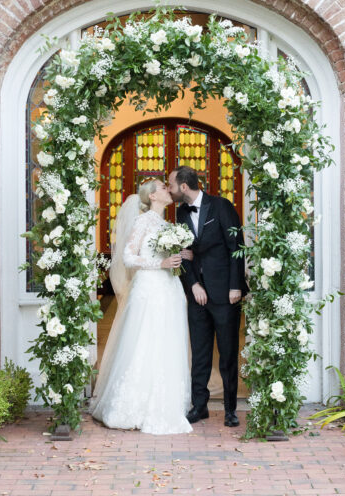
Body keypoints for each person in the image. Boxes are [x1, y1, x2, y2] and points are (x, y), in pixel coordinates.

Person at [90, 179, 192, 435]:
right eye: (163, 187)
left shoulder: (165, 224)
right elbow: (127, 257)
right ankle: (132, 407)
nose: (169, 189)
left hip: (168, 288)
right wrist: (160, 264)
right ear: (153, 196)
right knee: (144, 341)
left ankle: (164, 403)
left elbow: (164, 255)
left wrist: (180, 256)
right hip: (149, 289)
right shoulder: (143, 221)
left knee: (166, 343)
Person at [168, 166, 248, 428]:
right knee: (200, 354)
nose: (169, 189)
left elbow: (236, 247)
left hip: (226, 294)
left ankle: (230, 410)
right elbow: (184, 252)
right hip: (198, 295)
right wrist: (193, 285)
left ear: (183, 186)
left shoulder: (221, 206)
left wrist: (236, 286)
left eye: (171, 184)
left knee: (227, 355)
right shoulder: (181, 213)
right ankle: (199, 406)